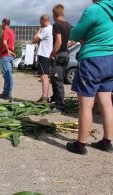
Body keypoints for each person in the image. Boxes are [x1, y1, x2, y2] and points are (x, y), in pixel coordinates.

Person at [66, 0, 113, 155]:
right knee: (106, 104)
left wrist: (86, 37)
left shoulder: (93, 10)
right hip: (110, 60)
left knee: (86, 105)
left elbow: (74, 34)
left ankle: (80, 145)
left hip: (93, 60)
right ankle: (107, 142)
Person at [49, 4, 72, 112]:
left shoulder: (56, 25)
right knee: (59, 79)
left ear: (54, 14)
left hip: (59, 56)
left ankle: (60, 106)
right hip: (66, 55)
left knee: (56, 80)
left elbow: (58, 40)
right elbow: (73, 40)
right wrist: (65, 47)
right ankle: (57, 101)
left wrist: (53, 53)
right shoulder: (68, 25)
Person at [32, 15, 53, 104]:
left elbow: (35, 39)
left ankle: (45, 97)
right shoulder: (52, 28)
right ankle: (44, 96)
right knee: (45, 76)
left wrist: (39, 30)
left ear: (42, 21)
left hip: (44, 55)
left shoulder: (45, 29)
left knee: (44, 76)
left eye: (40, 22)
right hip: (49, 55)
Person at [0, 18, 16, 100]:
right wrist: (12, 52)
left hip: (6, 55)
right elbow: (12, 45)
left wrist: (7, 51)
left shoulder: (6, 31)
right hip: (9, 56)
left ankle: (8, 94)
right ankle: (5, 92)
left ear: (4, 23)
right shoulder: (12, 32)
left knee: (7, 75)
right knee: (7, 74)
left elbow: (4, 42)